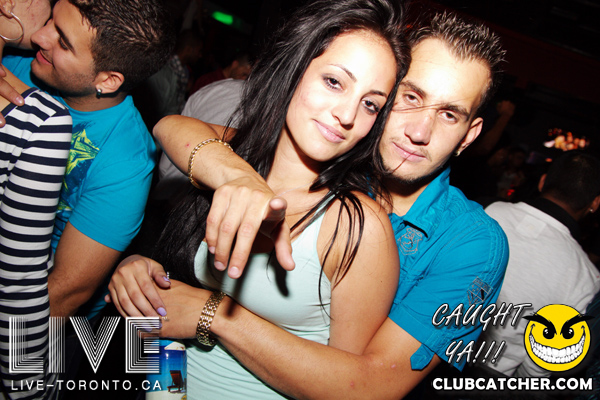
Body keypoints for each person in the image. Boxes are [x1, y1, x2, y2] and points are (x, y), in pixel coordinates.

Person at [109, 10, 509, 399]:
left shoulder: (470, 243)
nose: (420, 131)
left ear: (469, 135)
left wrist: (212, 314)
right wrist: (148, 281)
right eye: (411, 97)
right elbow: (181, 129)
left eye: (449, 114)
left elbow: (370, 387)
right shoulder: (306, 161)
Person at [138, 0, 405, 397]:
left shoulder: (357, 226)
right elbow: (170, 126)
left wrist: (212, 315)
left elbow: (349, 390)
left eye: (370, 104)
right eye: (334, 82)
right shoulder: (230, 164)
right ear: (294, 69)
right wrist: (145, 283)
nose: (348, 115)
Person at [1, 0, 175, 320]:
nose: (39, 37)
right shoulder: (20, 61)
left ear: (107, 80)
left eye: (63, 42)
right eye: (51, 21)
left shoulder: (126, 160)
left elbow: (65, 292)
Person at [0, 1, 72, 398]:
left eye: (63, 38)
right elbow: (18, 286)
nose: (43, 34)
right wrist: (31, 390)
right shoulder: (39, 118)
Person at [481, 151, 600, 377]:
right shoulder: (585, 278)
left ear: (542, 182)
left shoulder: (486, 210)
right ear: (595, 203)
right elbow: (538, 366)